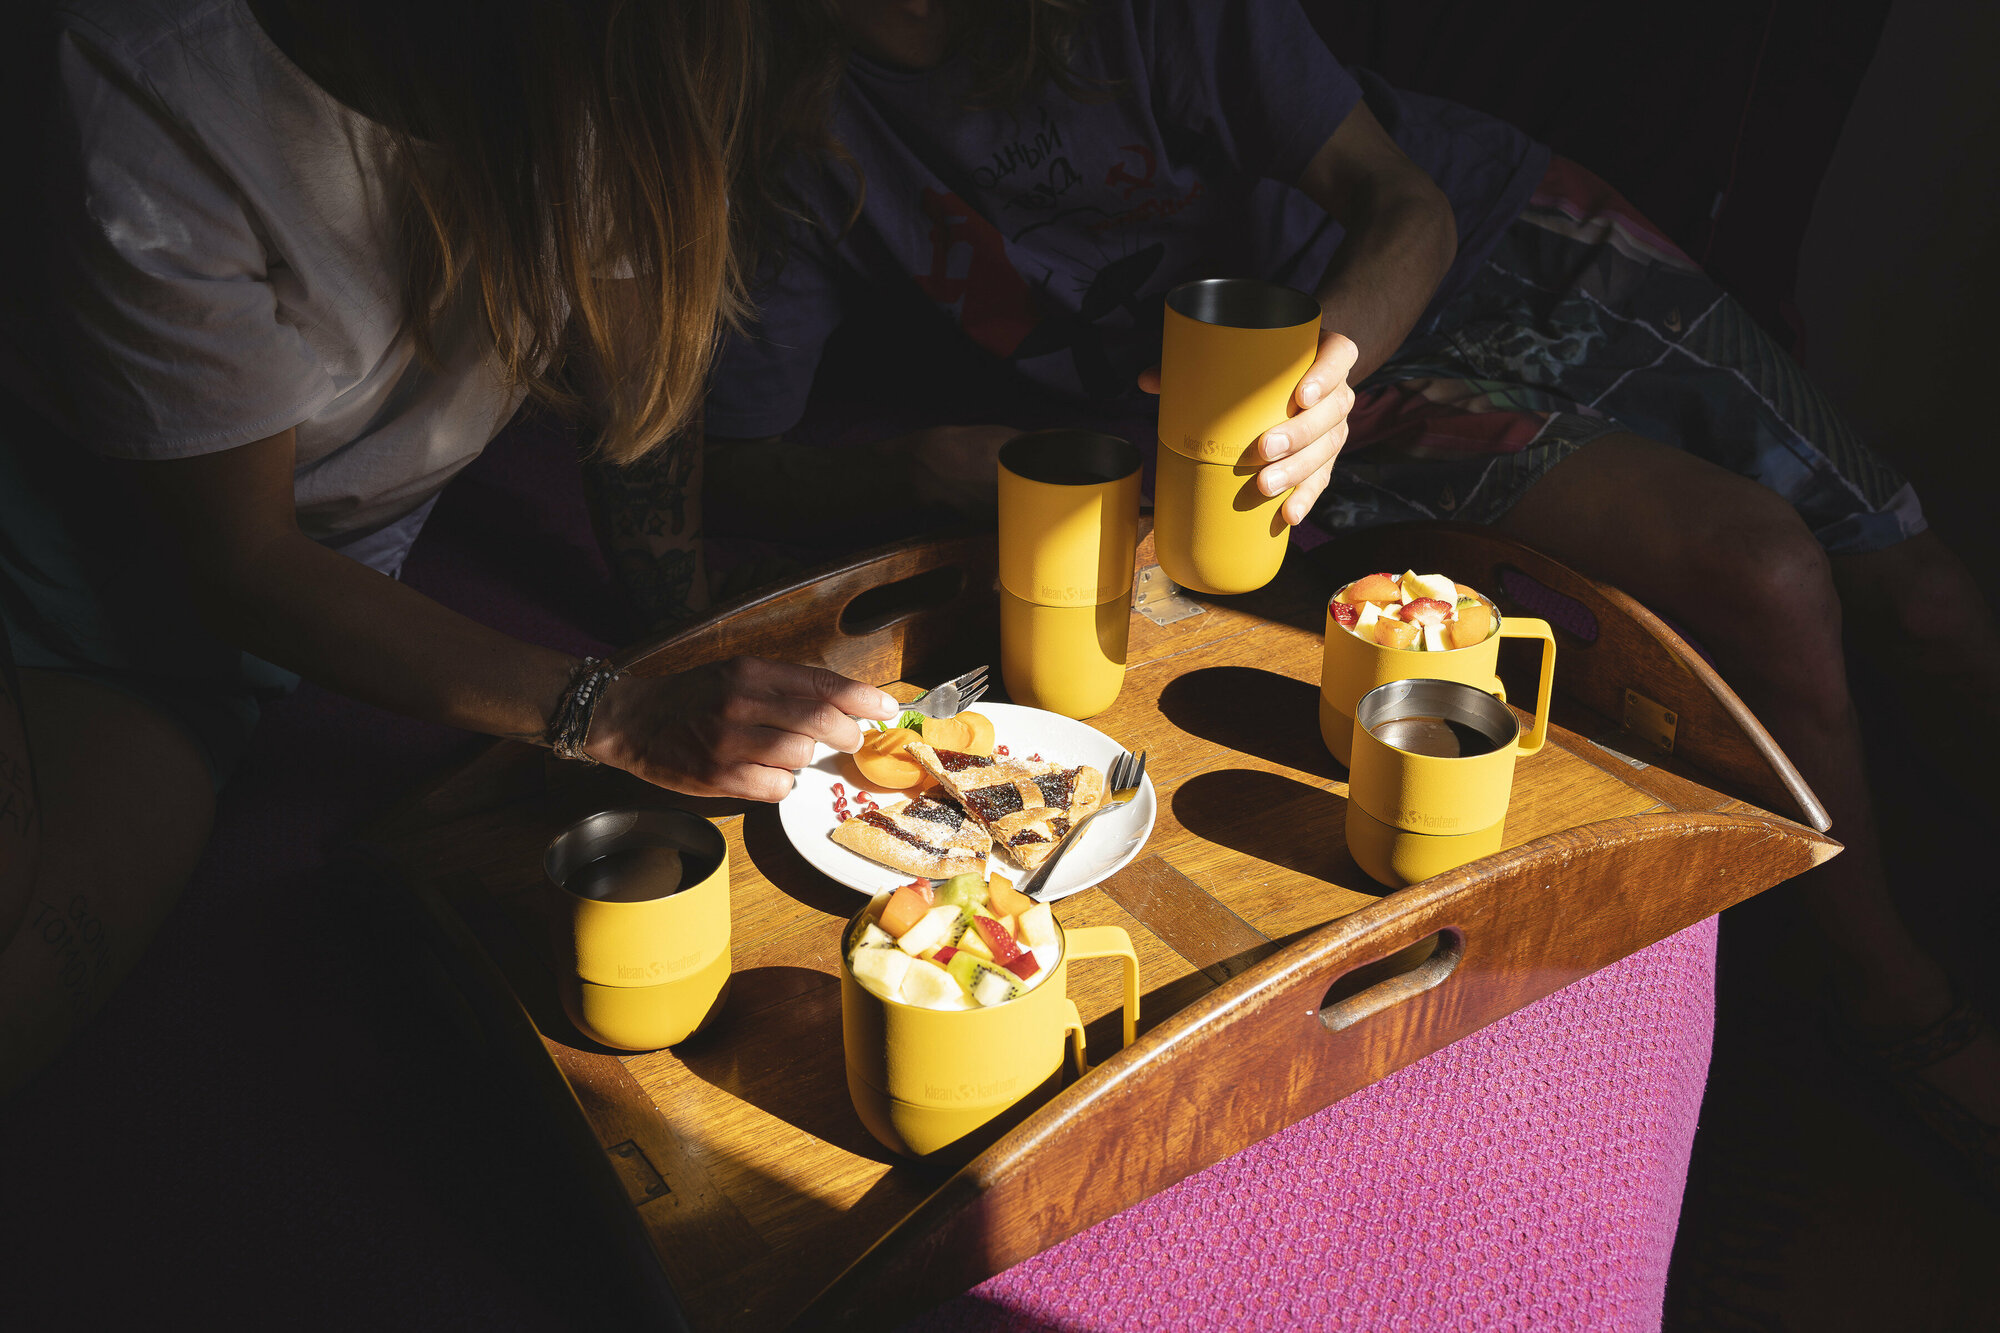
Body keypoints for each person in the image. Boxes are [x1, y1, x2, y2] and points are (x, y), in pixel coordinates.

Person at [626, 0, 1999, 1188]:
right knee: (1762, 571)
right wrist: (921, 460)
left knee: (1930, 605)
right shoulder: (779, 117)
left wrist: (1333, 365)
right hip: (1283, 431)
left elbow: (1406, 202)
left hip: (1486, 250)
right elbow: (727, 459)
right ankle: (1891, 997)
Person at [0, 0, 904, 1095]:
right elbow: (243, 564)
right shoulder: (159, 89)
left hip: (244, 626)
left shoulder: (598, 79)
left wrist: (682, 618)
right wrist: (617, 712)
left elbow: (636, 402)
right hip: (73, 569)